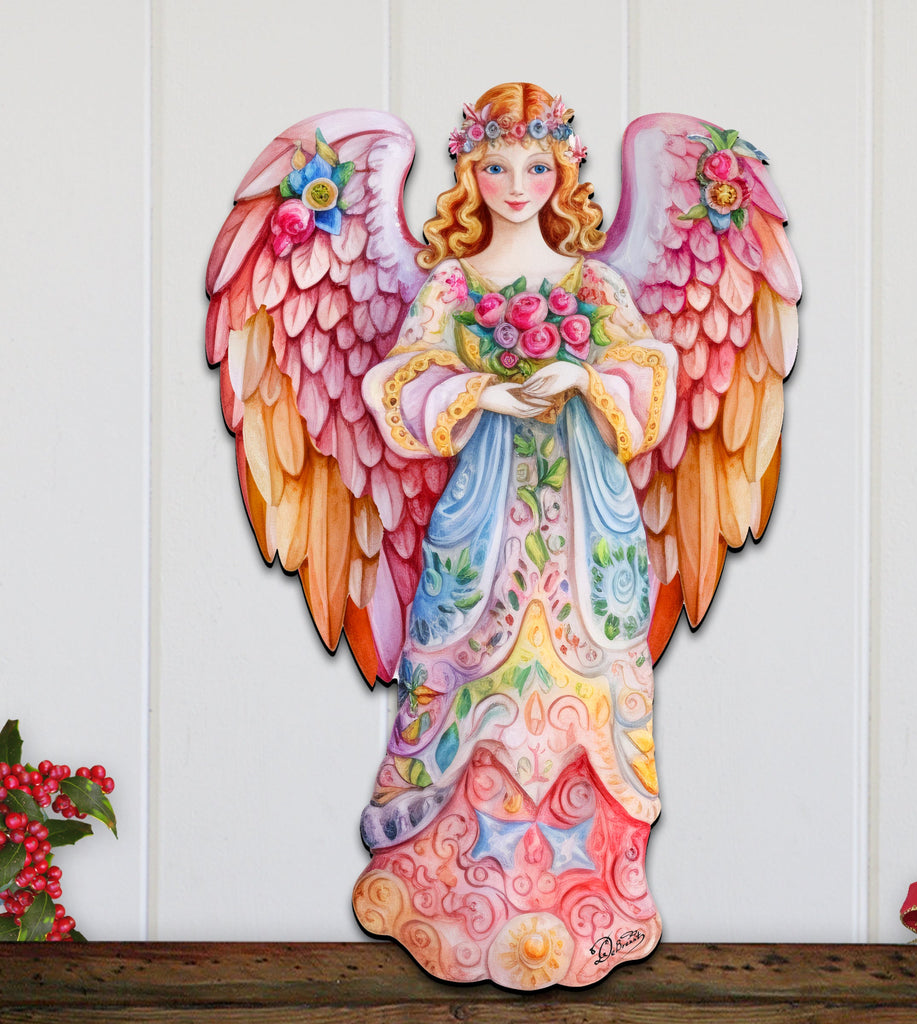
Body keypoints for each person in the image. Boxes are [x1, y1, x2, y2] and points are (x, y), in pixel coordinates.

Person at [354, 82, 678, 989]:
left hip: (583, 512)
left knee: (585, 674)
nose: (516, 184)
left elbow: (648, 375)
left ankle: (593, 899)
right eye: (495, 167)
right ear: (470, 175)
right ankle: (457, 898)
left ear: (563, 172)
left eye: (537, 166)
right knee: (476, 670)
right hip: (487, 512)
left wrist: (585, 377)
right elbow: (402, 378)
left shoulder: (592, 283)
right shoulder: (453, 284)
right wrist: (482, 391)